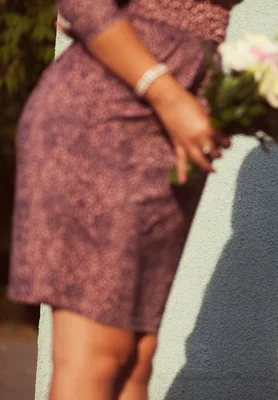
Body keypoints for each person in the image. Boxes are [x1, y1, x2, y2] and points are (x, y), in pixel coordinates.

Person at [8, 1, 242, 399]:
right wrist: (168, 95)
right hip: (112, 117)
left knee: (135, 360)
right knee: (98, 355)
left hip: (169, 133)